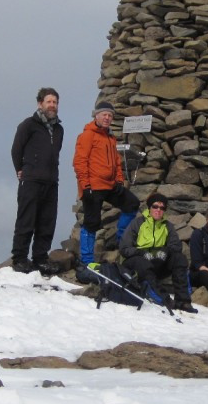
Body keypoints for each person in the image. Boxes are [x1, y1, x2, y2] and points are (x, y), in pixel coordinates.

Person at [73, 101, 140, 269]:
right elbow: (79, 162)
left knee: (132, 204)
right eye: (104, 114)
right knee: (91, 222)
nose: (107, 118)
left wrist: (119, 181)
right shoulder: (88, 135)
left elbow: (117, 162)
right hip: (93, 186)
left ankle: (121, 239)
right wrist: (85, 186)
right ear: (96, 115)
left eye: (110, 115)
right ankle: (87, 260)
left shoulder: (110, 137)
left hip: (110, 185)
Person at [10, 87, 64, 275]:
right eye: (49, 101)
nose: (52, 105)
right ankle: (19, 258)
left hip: (51, 182)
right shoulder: (28, 125)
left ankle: (40, 258)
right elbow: (16, 150)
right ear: (40, 104)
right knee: (26, 220)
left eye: (55, 102)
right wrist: (21, 170)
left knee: (47, 222)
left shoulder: (59, 129)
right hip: (31, 180)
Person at [119, 193, 198, 313]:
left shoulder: (167, 226)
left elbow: (176, 245)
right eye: (155, 206)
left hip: (158, 263)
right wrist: (141, 252)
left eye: (162, 208)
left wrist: (165, 250)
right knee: (142, 264)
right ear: (149, 208)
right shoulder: (137, 223)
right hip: (136, 264)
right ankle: (163, 298)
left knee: (179, 259)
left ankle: (183, 301)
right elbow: (124, 248)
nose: (158, 210)